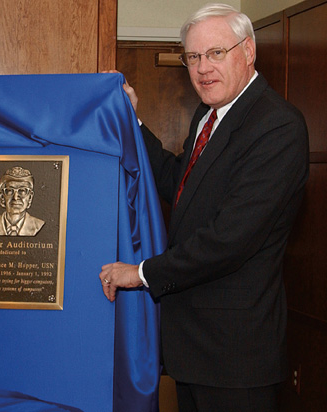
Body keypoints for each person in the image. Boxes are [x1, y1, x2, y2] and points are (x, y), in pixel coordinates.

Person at [99, 4, 308, 411]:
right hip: (195, 352)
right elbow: (179, 183)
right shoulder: (207, 116)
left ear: (248, 51)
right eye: (193, 57)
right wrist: (133, 120)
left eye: (216, 53)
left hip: (235, 359)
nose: (202, 68)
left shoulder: (277, 125)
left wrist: (141, 273)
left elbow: (230, 239)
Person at [0, 166, 45, 236]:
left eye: (22, 191)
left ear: (30, 197)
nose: (15, 197)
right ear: (2, 196)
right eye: (10, 191)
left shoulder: (38, 226)